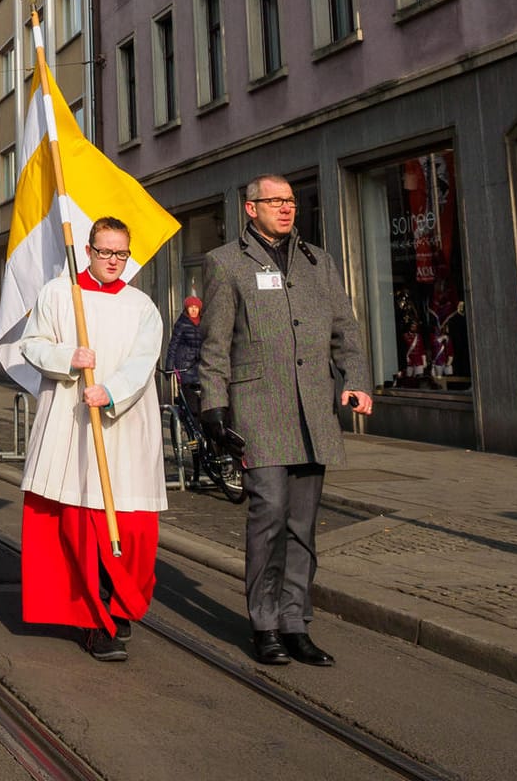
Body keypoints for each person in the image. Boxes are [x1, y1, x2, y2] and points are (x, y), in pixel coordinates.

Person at [197, 174, 373, 667]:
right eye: (274, 201)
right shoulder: (225, 263)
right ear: (250, 209)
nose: (286, 208)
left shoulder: (318, 260)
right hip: (258, 410)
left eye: (290, 200)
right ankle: (265, 623)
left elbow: (346, 327)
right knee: (268, 515)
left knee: (302, 525)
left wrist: (355, 378)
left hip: (312, 410)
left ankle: (296, 622)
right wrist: (214, 404)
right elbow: (215, 344)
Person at [15, 218, 166, 661]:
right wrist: (67, 357)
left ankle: (119, 605)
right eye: (105, 252)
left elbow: (144, 359)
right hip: (71, 423)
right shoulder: (60, 294)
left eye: (121, 253)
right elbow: (32, 344)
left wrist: (112, 390)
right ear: (88, 250)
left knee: (129, 527)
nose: (114, 261)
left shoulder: (142, 306)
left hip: (125, 424)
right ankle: (93, 620)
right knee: (79, 521)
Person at [165, 296, 204, 417]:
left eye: (196, 307)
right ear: (187, 309)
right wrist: (169, 366)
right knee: (190, 401)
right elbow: (173, 345)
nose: (193, 310)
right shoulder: (181, 323)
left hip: (200, 365)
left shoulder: (204, 322)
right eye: (191, 307)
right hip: (185, 366)